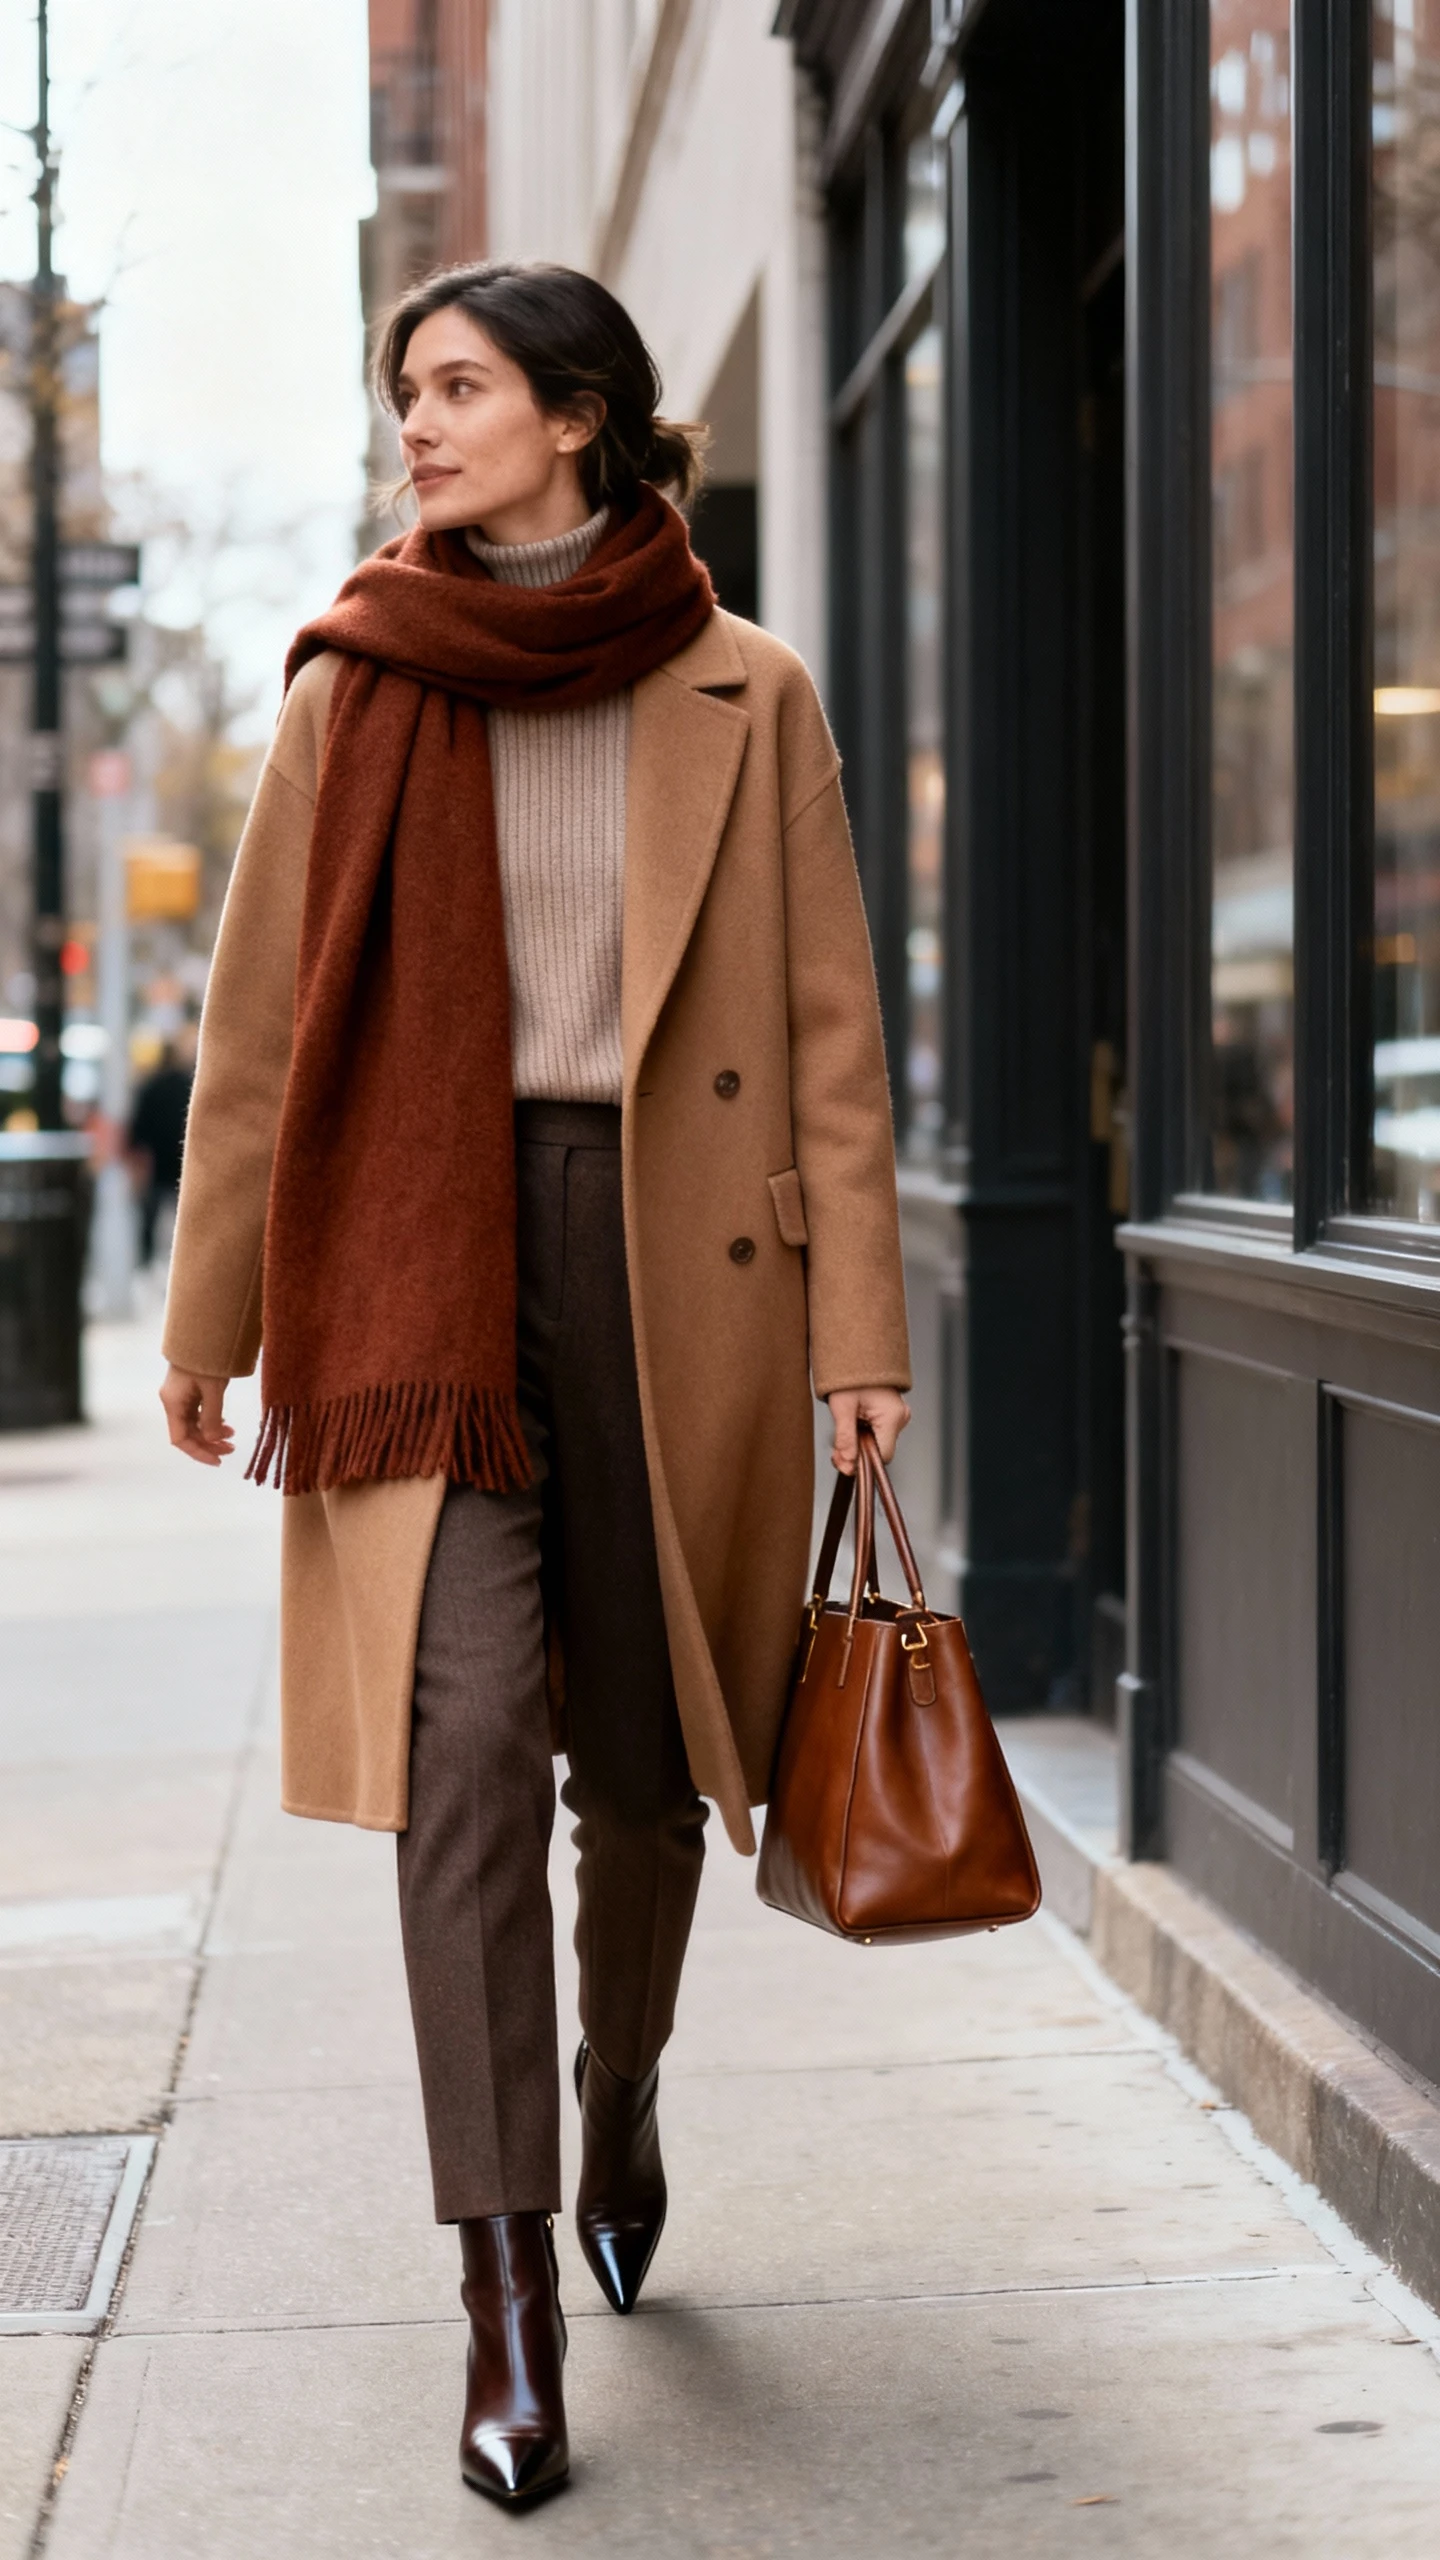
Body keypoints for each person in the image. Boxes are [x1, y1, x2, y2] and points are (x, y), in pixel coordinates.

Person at [158, 260, 911, 2508]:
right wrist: (212, 1323)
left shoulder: (742, 686)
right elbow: (265, 1040)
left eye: (462, 386)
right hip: (426, 1269)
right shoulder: (354, 685)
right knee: (467, 1736)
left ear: (581, 418)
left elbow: (839, 1030)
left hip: (685, 1265)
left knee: (649, 1757)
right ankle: (500, 2290)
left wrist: (862, 1336)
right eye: (406, 390)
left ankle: (619, 2099)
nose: (420, 422)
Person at [127, 1023, 196, 1265]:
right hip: (181, 1159)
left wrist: (136, 1155)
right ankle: (184, 1260)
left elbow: (138, 1128)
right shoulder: (188, 1086)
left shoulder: (150, 1087)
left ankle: (145, 1258)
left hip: (156, 1161)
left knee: (150, 1214)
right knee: (183, 1214)